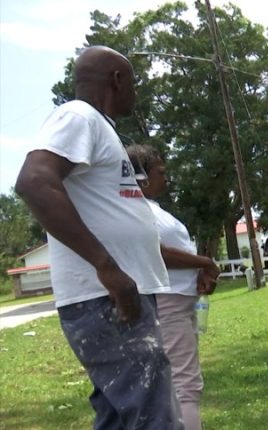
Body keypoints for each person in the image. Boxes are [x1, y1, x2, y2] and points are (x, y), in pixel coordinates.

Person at [15, 46, 183, 429]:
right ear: (117, 79)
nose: (136, 93)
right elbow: (34, 181)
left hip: (112, 295)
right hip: (107, 296)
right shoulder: (78, 116)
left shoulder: (98, 127)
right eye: (134, 83)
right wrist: (107, 267)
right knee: (153, 418)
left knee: (117, 418)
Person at [126, 143, 220, 430]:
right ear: (141, 176)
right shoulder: (135, 209)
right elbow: (157, 251)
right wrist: (205, 261)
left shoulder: (148, 208)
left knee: (176, 383)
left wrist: (199, 273)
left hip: (177, 299)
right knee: (185, 385)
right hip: (165, 302)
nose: (166, 178)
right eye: (160, 172)